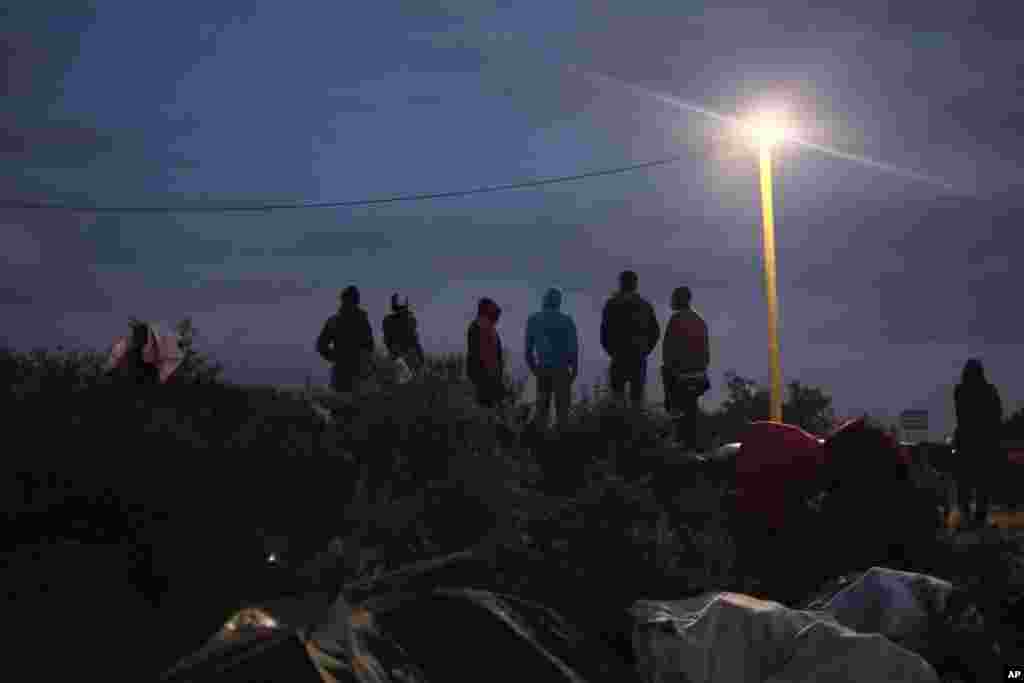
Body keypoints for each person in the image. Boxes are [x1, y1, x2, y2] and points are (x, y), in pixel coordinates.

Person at [953, 358, 1004, 528]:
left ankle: (968, 516)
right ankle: (978, 517)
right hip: (982, 442)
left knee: (967, 482)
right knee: (981, 482)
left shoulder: (960, 391)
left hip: (968, 442)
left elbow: (962, 415)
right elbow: (996, 415)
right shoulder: (989, 391)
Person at [661, 286, 711, 451]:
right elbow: (706, 352)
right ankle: (695, 446)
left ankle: (683, 449)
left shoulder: (675, 321)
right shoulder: (700, 320)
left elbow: (668, 352)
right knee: (692, 412)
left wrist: (668, 376)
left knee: (679, 415)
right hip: (698, 376)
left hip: (680, 376)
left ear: (678, 299)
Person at [600, 270, 660, 407]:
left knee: (617, 398)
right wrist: (645, 350)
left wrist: (611, 351)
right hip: (638, 356)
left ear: (620, 283)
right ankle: (636, 426)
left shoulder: (611, 304)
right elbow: (655, 333)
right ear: (636, 284)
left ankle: (620, 426)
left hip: (618, 356)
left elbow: (604, 333)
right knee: (637, 400)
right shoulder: (645, 306)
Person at [525, 287, 579, 432]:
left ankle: (540, 447)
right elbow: (574, 350)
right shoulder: (567, 321)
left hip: (543, 369)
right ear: (558, 302)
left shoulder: (533, 320)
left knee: (541, 411)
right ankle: (561, 446)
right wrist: (574, 371)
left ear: (545, 300)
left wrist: (535, 370)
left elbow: (528, 352)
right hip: (562, 370)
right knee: (563, 415)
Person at [316, 286, 375, 394]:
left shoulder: (358, 321)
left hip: (352, 373)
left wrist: (336, 357)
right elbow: (370, 346)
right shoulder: (358, 321)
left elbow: (370, 346)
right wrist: (337, 357)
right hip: (349, 373)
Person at [467, 297, 506, 413]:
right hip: (484, 381)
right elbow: (483, 356)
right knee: (485, 412)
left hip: (489, 380)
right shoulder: (481, 328)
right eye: (494, 313)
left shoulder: (489, 330)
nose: (497, 318)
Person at [382, 293, 425, 375]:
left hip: (401, 356)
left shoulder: (389, 320)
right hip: (401, 356)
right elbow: (415, 340)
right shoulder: (409, 319)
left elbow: (387, 340)